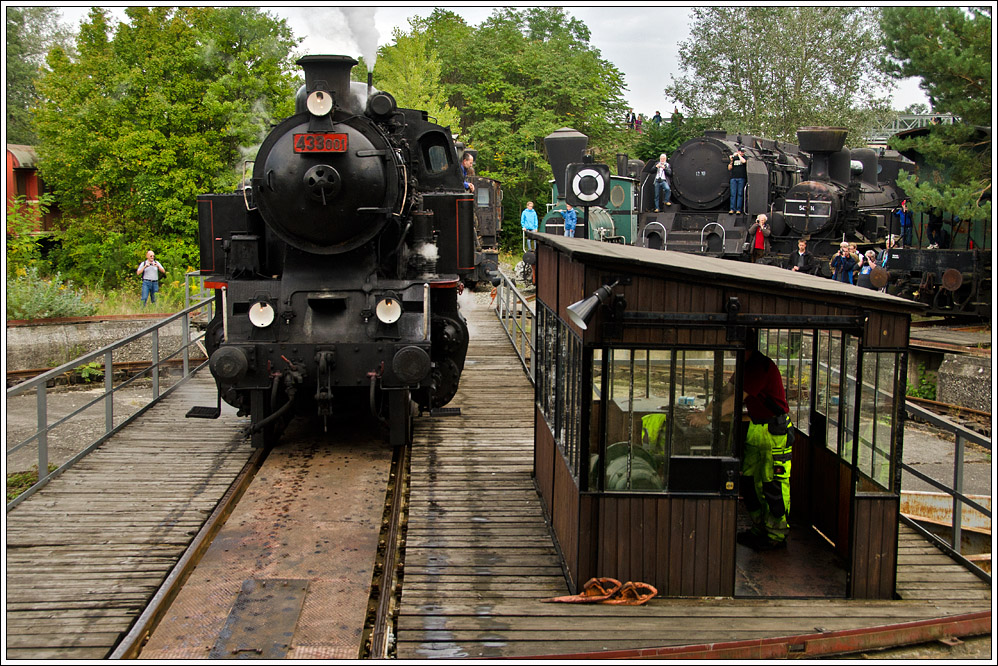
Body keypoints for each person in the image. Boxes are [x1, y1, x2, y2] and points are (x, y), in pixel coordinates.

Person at [688, 330, 792, 551]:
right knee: (749, 479)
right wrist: (704, 411)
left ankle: (776, 534)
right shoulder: (743, 366)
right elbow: (726, 392)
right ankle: (758, 528)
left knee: (772, 482)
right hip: (757, 426)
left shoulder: (759, 367)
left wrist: (705, 416)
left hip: (774, 430)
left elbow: (734, 400)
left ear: (745, 348)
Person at [728, 146, 748, 214]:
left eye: (743, 152)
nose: (742, 153)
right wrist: (731, 160)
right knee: (733, 194)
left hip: (741, 178)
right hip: (733, 178)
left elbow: (744, 161)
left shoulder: (744, 157)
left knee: (740, 194)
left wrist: (739, 155)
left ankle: (738, 209)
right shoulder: (734, 159)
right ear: (738, 151)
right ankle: (732, 209)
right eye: (741, 151)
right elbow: (729, 168)